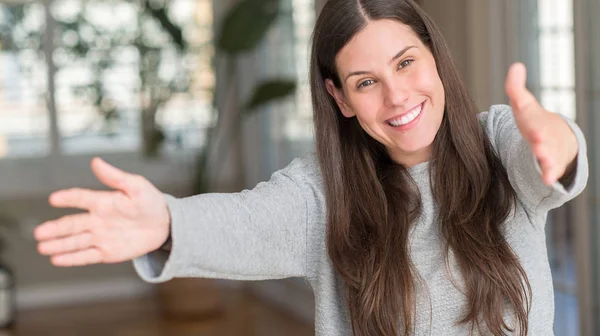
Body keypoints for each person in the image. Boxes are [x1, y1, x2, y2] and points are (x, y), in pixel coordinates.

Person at [33, 0, 588, 335]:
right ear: (340, 98)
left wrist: (556, 144)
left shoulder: (499, 145)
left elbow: (546, 155)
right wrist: (167, 224)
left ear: (435, 59)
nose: (397, 96)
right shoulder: (324, 194)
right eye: (366, 82)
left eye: (406, 63)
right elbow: (247, 222)